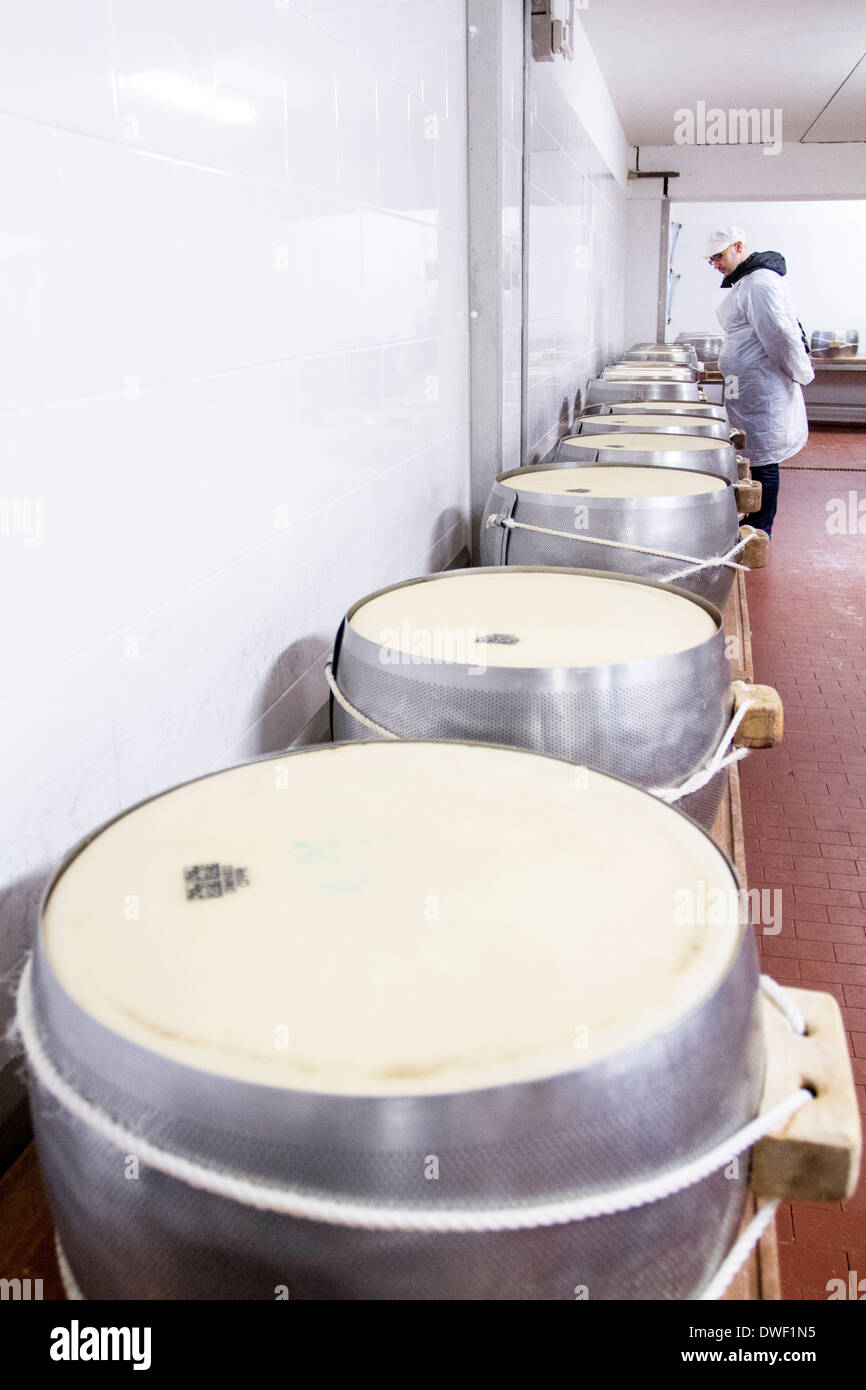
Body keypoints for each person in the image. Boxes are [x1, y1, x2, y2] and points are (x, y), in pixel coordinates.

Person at [705, 225, 814, 537]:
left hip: (765, 390)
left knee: (765, 459)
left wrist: (800, 373)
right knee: (755, 454)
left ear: (739, 247)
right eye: (711, 260)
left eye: (719, 256)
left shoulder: (760, 284)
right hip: (750, 389)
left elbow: (780, 336)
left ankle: (760, 527)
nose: (716, 264)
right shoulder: (747, 282)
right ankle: (752, 520)